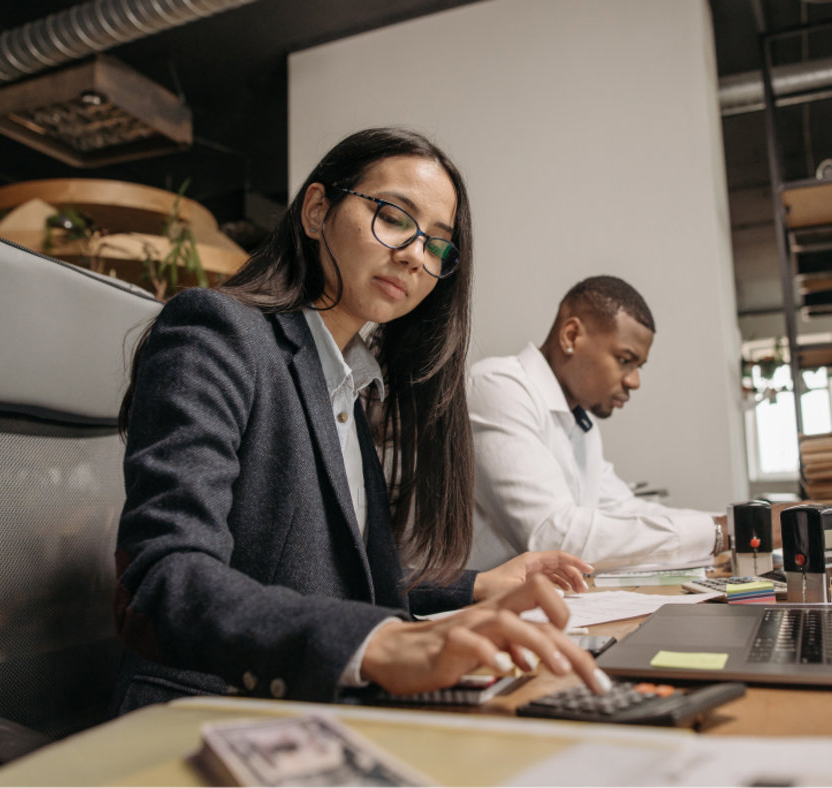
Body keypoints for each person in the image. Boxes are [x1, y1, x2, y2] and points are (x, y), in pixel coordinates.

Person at [111, 127, 610, 714]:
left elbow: (331, 576)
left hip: (320, 706)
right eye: (395, 217)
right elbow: (166, 578)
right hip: (212, 711)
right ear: (318, 210)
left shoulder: (354, 382)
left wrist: (477, 586)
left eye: (437, 245)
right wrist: (378, 643)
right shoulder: (217, 333)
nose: (414, 255)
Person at [467, 275, 727, 572]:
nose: (634, 381)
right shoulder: (499, 387)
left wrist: (734, 523)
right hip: (459, 612)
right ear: (571, 336)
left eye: (638, 366)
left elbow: (625, 510)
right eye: (625, 359)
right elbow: (552, 537)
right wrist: (721, 531)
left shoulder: (580, 423)